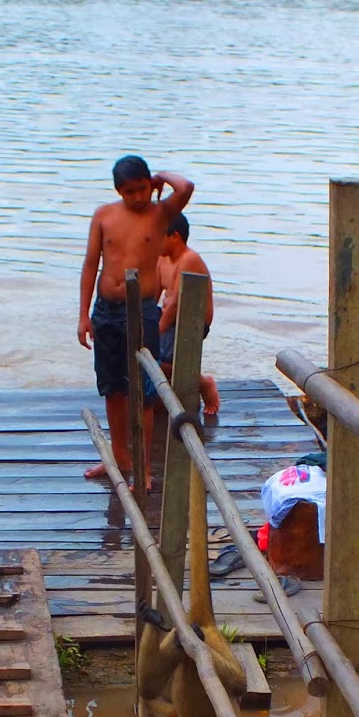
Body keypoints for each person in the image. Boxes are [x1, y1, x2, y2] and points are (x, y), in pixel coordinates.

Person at [77, 155, 193, 480]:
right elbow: (90, 264)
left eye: (143, 189)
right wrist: (83, 315)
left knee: (140, 392)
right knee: (112, 388)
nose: (139, 197)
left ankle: (142, 469)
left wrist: (161, 176)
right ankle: (119, 458)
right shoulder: (104, 215)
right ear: (119, 190)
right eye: (131, 192)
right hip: (106, 310)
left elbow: (186, 187)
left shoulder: (160, 214)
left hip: (140, 310)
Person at [155, 212, 219, 416]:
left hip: (191, 322)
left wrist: (156, 332)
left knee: (160, 359)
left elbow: (175, 304)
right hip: (169, 319)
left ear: (175, 236)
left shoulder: (189, 259)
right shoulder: (161, 259)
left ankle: (203, 383)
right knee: (133, 344)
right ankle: (156, 395)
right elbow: (154, 294)